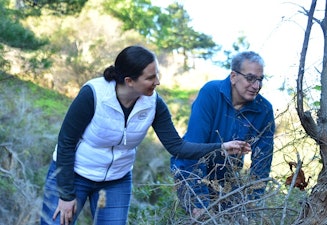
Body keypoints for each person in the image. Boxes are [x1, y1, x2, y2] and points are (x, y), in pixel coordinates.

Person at [40, 45, 251, 225]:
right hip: (74, 173)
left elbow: (177, 147)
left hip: (116, 180)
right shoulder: (94, 94)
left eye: (157, 75)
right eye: (150, 77)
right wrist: (66, 195)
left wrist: (221, 148)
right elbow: (66, 142)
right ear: (130, 80)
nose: (157, 81)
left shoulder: (153, 104)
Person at [170, 51, 275, 217]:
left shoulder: (264, 109)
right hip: (190, 169)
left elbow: (262, 162)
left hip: (226, 180)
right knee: (202, 217)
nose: (256, 86)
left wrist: (252, 203)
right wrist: (199, 201)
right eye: (250, 78)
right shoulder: (211, 92)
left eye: (260, 79)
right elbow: (193, 148)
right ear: (233, 76)